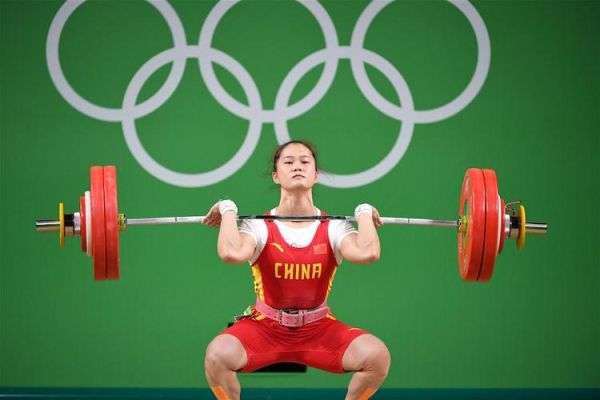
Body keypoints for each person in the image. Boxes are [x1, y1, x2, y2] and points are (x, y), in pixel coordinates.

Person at [202, 140, 390, 400]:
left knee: (377, 356)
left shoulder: (334, 227)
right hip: (265, 329)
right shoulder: (259, 227)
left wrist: (364, 213)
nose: (297, 166)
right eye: (288, 162)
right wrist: (228, 209)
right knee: (217, 355)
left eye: (305, 161)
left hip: (318, 329)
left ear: (316, 175)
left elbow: (368, 253)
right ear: (276, 175)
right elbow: (231, 254)